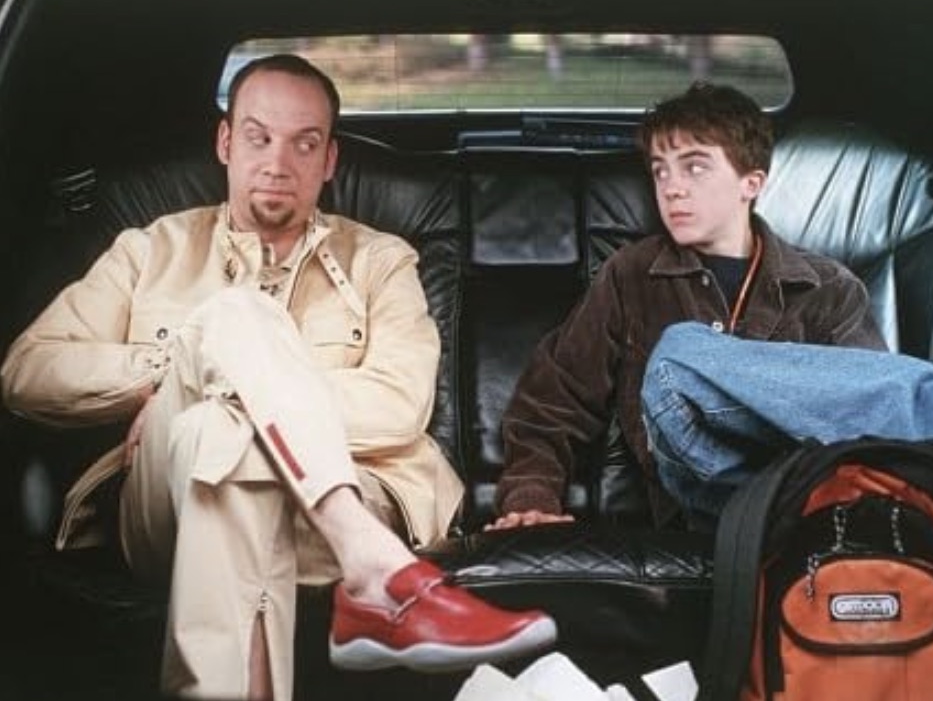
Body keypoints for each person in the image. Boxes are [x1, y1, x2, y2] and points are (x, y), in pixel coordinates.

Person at [1, 54, 555, 701]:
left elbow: (399, 403)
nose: (278, 162)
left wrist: (224, 404)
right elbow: (27, 370)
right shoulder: (149, 248)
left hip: (360, 489)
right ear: (225, 142)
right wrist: (179, 367)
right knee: (230, 321)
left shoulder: (381, 261)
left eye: (305, 143)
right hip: (162, 505)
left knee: (219, 439)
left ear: (330, 161)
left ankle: (350, 551)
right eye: (259, 136)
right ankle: (374, 569)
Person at [489, 81, 933, 533]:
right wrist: (532, 497)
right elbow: (552, 400)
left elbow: (869, 428)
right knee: (680, 353)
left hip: (813, 491)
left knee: (708, 360)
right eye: (660, 170)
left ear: (750, 182)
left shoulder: (828, 287)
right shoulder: (633, 275)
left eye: (694, 166)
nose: (672, 188)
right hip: (709, 495)